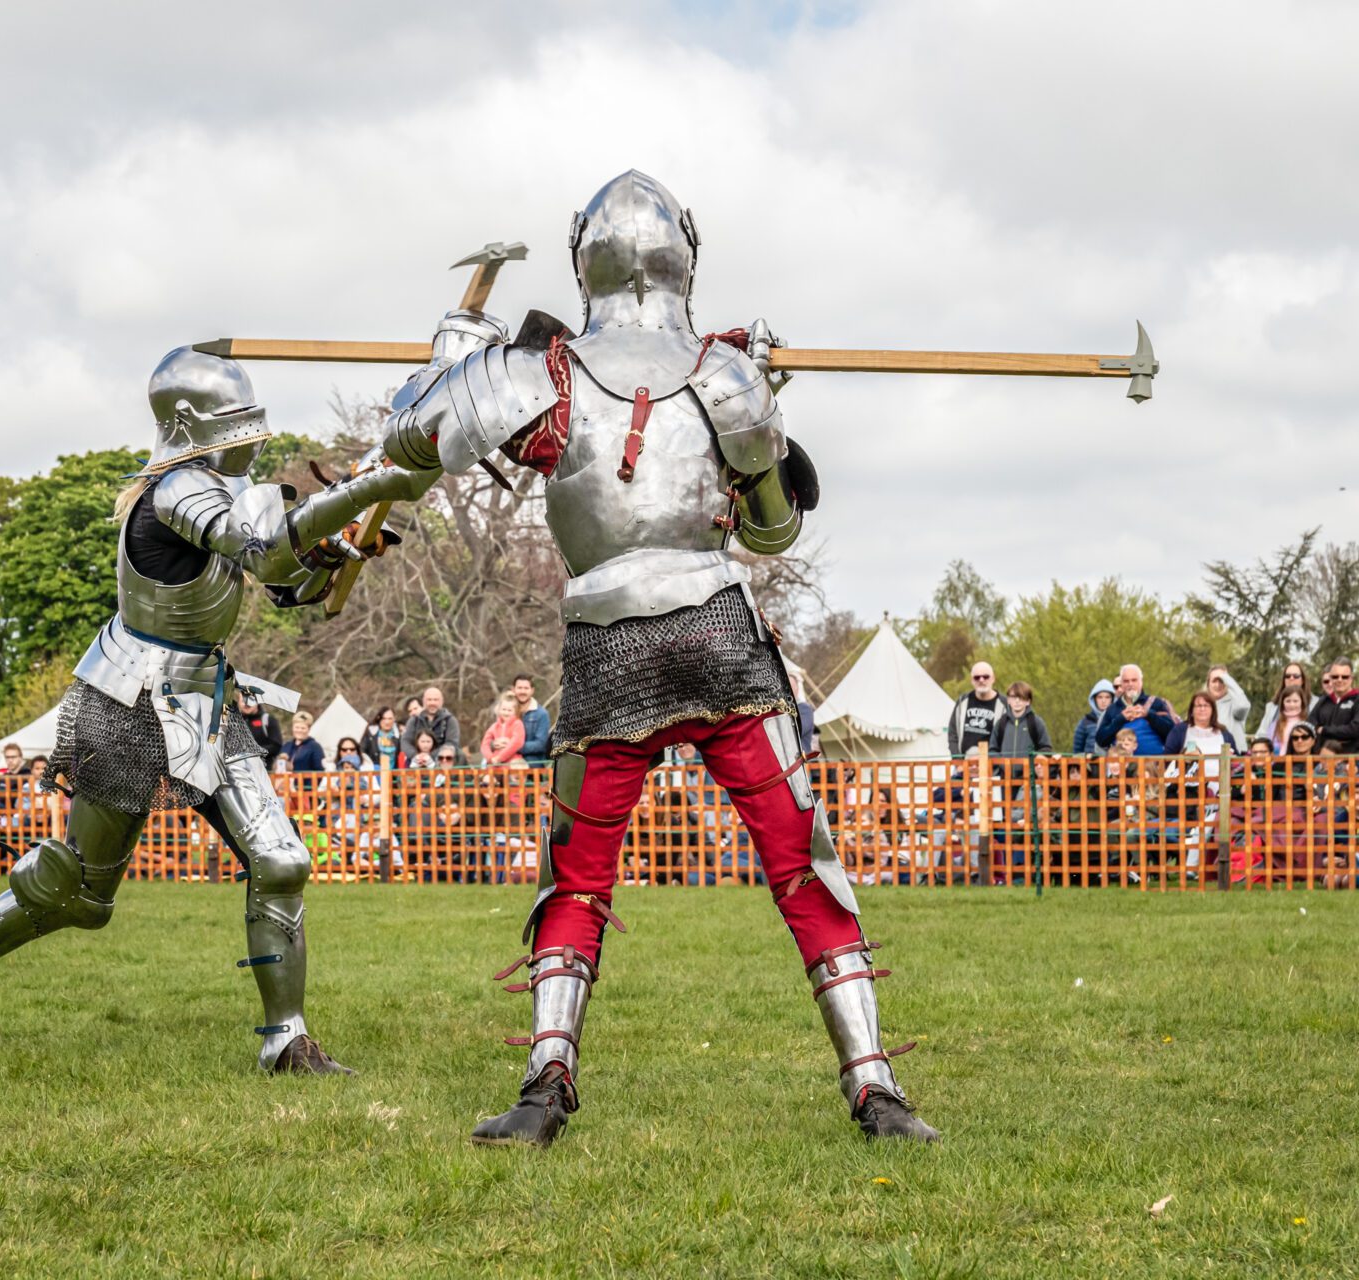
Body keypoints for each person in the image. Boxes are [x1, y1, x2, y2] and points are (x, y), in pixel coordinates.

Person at [317, 172, 934, 1144]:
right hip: (720, 637)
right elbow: (771, 536)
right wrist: (762, 402)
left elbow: (407, 436)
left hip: (610, 646)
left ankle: (547, 1076)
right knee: (800, 857)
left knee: (578, 872)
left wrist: (456, 353)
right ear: (685, 255)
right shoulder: (726, 374)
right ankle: (873, 1081)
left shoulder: (543, 373)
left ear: (582, 257)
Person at [0, 344, 375, 1076]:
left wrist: (330, 554)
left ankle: (285, 1041)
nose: (247, 438)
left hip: (206, 701)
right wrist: (361, 487)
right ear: (193, 423)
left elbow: (279, 574)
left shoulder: (218, 494)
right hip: (128, 698)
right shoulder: (175, 493)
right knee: (83, 893)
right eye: (234, 422)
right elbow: (258, 545)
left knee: (282, 860)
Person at [1095, 665, 1176, 756]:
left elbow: (1172, 733)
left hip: (1154, 766)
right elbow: (1101, 740)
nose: (1130, 684)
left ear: (1141, 682)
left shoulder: (1156, 703)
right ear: (1121, 683)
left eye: (1134, 680)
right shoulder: (1113, 708)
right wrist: (1120, 719)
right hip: (1122, 767)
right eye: (1126, 681)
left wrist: (1149, 715)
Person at [1307, 659, 1359, 753]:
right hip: (1322, 760)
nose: (1339, 680)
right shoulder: (1324, 701)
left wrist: (1324, 730)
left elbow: (1355, 730)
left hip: (1351, 761)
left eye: (1344, 677)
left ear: (1351, 678)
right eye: (1335, 676)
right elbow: (1310, 725)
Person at [946, 662, 1006, 757]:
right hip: (964, 764)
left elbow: (1008, 738)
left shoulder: (1004, 705)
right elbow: (952, 734)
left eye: (986, 677)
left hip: (992, 766)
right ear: (972, 680)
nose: (981, 680)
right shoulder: (962, 701)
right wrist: (957, 760)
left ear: (993, 678)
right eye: (977, 677)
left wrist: (997, 764)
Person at [1254, 662, 1313, 745]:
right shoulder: (1272, 706)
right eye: (1287, 676)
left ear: (1302, 680)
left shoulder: (1314, 703)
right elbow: (1261, 734)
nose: (1291, 678)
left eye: (1296, 676)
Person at [1165, 691, 1235, 756]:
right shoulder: (1179, 731)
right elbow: (1167, 759)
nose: (1202, 709)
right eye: (1199, 706)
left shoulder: (1224, 733)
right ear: (1192, 710)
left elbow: (1238, 760)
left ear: (1213, 710)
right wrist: (1184, 759)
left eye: (1206, 705)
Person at [989, 681, 1051, 755]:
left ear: (1028, 701)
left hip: (1030, 766)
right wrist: (999, 765)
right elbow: (993, 750)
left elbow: (1046, 749)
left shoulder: (1036, 722)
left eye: (1021, 697)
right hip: (1004, 766)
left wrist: (1036, 762)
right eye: (1013, 697)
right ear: (1008, 700)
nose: (1017, 701)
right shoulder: (1001, 723)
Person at [402, 686, 462, 758]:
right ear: (423, 701)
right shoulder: (414, 721)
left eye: (435, 700)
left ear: (442, 701)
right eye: (429, 700)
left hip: (442, 763)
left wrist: (430, 756)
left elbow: (452, 744)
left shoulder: (450, 721)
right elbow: (405, 742)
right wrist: (416, 756)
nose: (432, 703)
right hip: (417, 763)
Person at [1207, 666, 1251, 752]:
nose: (1218, 685)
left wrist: (1226, 677)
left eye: (1222, 681)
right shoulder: (1203, 706)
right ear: (1208, 684)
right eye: (1214, 681)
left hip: (1235, 757)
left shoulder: (1235, 702)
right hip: (1210, 757)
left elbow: (1243, 706)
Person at [511, 676, 553, 767]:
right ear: (513, 689)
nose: (522, 691)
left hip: (532, 760)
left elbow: (540, 744)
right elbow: (496, 733)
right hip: (507, 758)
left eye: (526, 688)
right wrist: (493, 744)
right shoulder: (506, 711)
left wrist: (513, 747)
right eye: (519, 688)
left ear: (532, 690)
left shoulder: (541, 714)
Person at [480, 693, 527, 766]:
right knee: (487, 776)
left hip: (512, 760)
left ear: (516, 711)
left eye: (509, 710)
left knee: (517, 769)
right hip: (495, 762)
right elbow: (485, 744)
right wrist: (490, 758)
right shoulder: (494, 726)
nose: (506, 712)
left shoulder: (518, 724)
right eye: (504, 709)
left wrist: (500, 757)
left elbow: (517, 742)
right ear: (499, 710)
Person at [1072, 680, 1114, 755]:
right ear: (1094, 699)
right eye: (1100, 697)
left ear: (1112, 699)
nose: (1103, 701)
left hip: (1113, 764)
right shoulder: (1086, 721)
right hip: (1089, 764)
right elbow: (1077, 749)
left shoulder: (1117, 720)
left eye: (1107, 697)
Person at [1264, 687, 1311, 753]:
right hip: (1279, 761)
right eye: (1288, 701)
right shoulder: (1275, 726)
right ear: (1283, 703)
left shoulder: (1308, 723)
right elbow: (1268, 747)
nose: (1292, 705)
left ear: (1302, 702)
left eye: (1295, 701)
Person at [238, 692, 283, 758]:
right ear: (238, 702)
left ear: (257, 701)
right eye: (243, 701)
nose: (247, 704)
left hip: (264, 766)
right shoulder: (233, 721)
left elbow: (276, 747)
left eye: (250, 700)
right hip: (239, 766)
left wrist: (253, 752)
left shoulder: (268, 720)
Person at [360, 706, 401, 770]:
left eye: (390, 718)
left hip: (394, 774)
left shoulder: (399, 734)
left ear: (394, 719)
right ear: (379, 719)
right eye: (384, 718)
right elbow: (362, 751)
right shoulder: (371, 733)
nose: (387, 722)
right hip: (375, 773)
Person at [789, 671, 818, 756]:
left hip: (799, 761)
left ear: (797, 689)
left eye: (791, 686)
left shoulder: (805, 709)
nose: (788, 689)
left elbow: (797, 730)